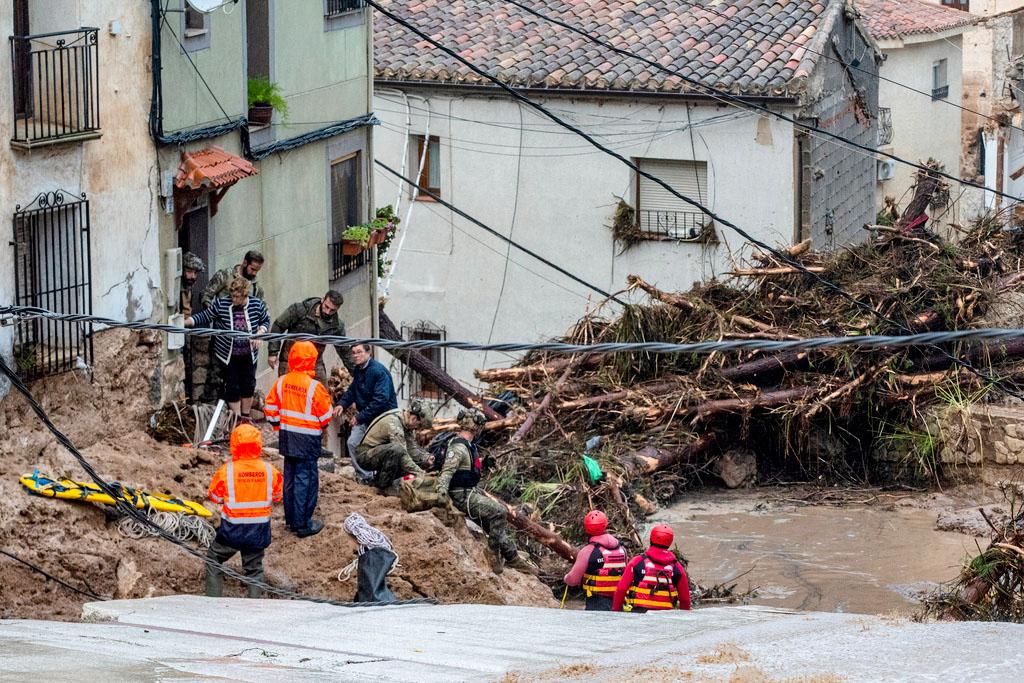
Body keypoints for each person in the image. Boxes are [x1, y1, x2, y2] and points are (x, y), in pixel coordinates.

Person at [435, 408, 538, 575]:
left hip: (470, 492)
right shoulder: (458, 447)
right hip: (461, 496)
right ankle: (492, 553)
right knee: (499, 512)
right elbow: (447, 472)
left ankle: (512, 556)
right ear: (476, 426)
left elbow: (465, 466)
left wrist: (483, 462)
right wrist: (441, 497)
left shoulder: (467, 445)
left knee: (494, 524)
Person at [263, 340, 338, 538]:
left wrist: (280, 426)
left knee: (290, 478)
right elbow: (325, 417)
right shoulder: (315, 387)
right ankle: (303, 524)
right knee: (306, 480)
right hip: (308, 440)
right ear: (312, 360)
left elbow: (270, 410)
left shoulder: (281, 381)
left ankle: (291, 520)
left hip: (287, 437)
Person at [205, 423, 283, 598]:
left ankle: (212, 602)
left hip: (232, 530)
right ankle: (254, 607)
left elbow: (215, 497)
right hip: (258, 530)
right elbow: (277, 496)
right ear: (258, 445)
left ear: (234, 445)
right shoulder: (270, 471)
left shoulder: (227, 471)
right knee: (254, 570)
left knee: (213, 560)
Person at [185, 276, 270, 420]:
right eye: (232, 296)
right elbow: (206, 316)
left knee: (248, 385)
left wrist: (260, 332)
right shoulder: (222, 304)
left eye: (237, 297)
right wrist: (187, 322)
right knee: (233, 387)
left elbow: (265, 320)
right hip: (229, 355)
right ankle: (236, 419)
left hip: (249, 354)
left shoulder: (257, 304)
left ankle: (245, 417)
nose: (234, 299)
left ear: (245, 295)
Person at [267, 291, 353, 383]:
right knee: (289, 392)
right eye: (326, 307)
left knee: (322, 393)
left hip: (315, 363)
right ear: (322, 299)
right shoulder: (300, 310)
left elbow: (344, 351)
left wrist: (356, 372)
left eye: (332, 310)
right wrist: (273, 352)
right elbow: (278, 325)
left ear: (337, 309)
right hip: (291, 360)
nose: (327, 312)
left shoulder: (336, 326)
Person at [338, 343, 398, 473]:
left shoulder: (378, 372)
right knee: (353, 443)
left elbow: (381, 400)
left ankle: (379, 476)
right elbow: (353, 390)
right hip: (366, 417)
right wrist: (341, 404)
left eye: (359, 352)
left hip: (382, 418)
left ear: (368, 352)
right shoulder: (359, 370)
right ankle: (366, 476)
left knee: (377, 449)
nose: (355, 355)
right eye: (353, 353)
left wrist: (359, 417)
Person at [354, 400, 432, 490]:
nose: (417, 429)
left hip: (378, 453)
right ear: (414, 418)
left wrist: (426, 458)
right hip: (364, 455)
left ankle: (377, 482)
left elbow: (411, 448)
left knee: (416, 460)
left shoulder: (406, 423)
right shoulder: (394, 422)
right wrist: (420, 473)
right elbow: (402, 454)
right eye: (419, 425)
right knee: (397, 450)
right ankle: (383, 487)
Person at [612, 524, 691, 612]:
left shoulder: (637, 562)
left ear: (651, 539)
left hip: (638, 615)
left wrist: (616, 611)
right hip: (666, 618)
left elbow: (621, 589)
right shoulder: (677, 567)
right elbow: (685, 600)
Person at [563, 510, 628, 611]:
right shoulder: (622, 549)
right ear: (605, 525)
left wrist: (566, 578)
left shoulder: (587, 551)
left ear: (586, 528)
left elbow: (573, 580)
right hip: (619, 602)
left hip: (596, 602)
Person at [201, 249, 265, 307]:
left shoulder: (256, 286)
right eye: (252, 269)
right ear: (245, 263)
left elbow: (263, 307)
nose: (254, 273)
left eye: (257, 271)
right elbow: (206, 295)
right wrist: (213, 314)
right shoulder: (225, 275)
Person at [179, 251, 205, 317]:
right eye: (189, 272)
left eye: (195, 273)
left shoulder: (188, 286)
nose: (193, 276)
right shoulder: (178, 289)